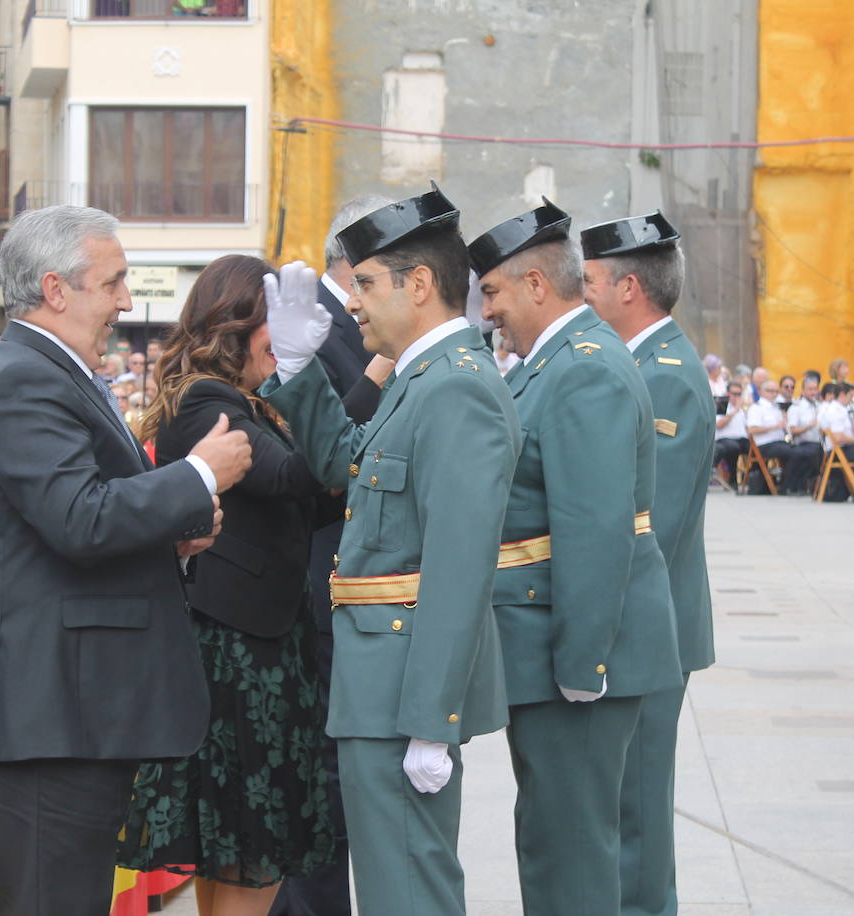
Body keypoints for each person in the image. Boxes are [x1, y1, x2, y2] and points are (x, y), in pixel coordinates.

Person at [0, 205, 251, 916]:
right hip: (50, 707)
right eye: (113, 283)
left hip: (70, 704)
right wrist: (198, 475)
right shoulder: (29, 376)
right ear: (56, 289)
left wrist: (168, 537)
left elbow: (68, 523)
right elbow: (78, 518)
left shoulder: (53, 369)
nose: (124, 301)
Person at [259, 185, 520, 916]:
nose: (355, 303)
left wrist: (431, 722)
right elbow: (347, 465)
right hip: (380, 681)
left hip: (403, 687)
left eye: (366, 285)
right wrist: (300, 371)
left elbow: (459, 571)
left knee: (408, 888)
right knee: (389, 885)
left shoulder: (454, 390)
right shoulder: (423, 381)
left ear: (421, 284)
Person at [474, 201, 681, 915]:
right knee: (553, 844)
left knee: (574, 860)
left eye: (494, 292)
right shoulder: (554, 363)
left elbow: (595, 532)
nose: (489, 310)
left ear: (536, 284)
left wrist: (580, 664)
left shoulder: (583, 368)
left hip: (578, 664)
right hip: (549, 655)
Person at [119, 255, 338, 915]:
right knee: (252, 853)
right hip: (238, 656)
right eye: (278, 323)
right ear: (237, 322)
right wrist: (376, 373)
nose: (287, 338)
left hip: (266, 640)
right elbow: (291, 478)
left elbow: (315, 498)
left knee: (241, 855)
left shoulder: (251, 399)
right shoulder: (203, 400)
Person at [577, 210, 714, 916]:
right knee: (625, 807)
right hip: (639, 629)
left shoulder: (664, 378)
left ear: (629, 287)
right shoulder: (639, 366)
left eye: (591, 280)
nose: (582, 293)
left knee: (634, 814)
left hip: (645, 633)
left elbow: (646, 529)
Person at [272, 195, 397, 916]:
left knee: (334, 780)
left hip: (345, 576)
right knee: (319, 781)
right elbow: (318, 456)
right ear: (356, 265)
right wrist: (380, 367)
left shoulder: (347, 322)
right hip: (318, 573)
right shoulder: (314, 327)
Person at [745, 378, 796, 492]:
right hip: (764, 444)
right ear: (761, 392)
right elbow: (752, 430)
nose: (774, 394)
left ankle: (792, 484)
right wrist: (774, 426)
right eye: (770, 391)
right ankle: (786, 487)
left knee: (800, 452)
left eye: (776, 391)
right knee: (793, 454)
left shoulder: (777, 407)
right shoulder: (756, 408)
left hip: (780, 442)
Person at [784, 376, 824, 495]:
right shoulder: (796, 407)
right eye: (810, 389)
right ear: (803, 391)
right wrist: (809, 426)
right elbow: (792, 430)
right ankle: (794, 486)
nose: (813, 392)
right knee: (811, 453)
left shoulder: (820, 406)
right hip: (802, 443)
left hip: (819, 443)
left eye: (815, 389)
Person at [712, 380, 749, 475]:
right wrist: (735, 409)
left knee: (755, 449)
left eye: (739, 394)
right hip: (724, 439)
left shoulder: (743, 409)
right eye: (734, 394)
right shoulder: (722, 405)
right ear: (727, 393)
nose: (737, 397)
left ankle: (754, 479)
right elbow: (719, 425)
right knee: (734, 448)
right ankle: (732, 479)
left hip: (742, 438)